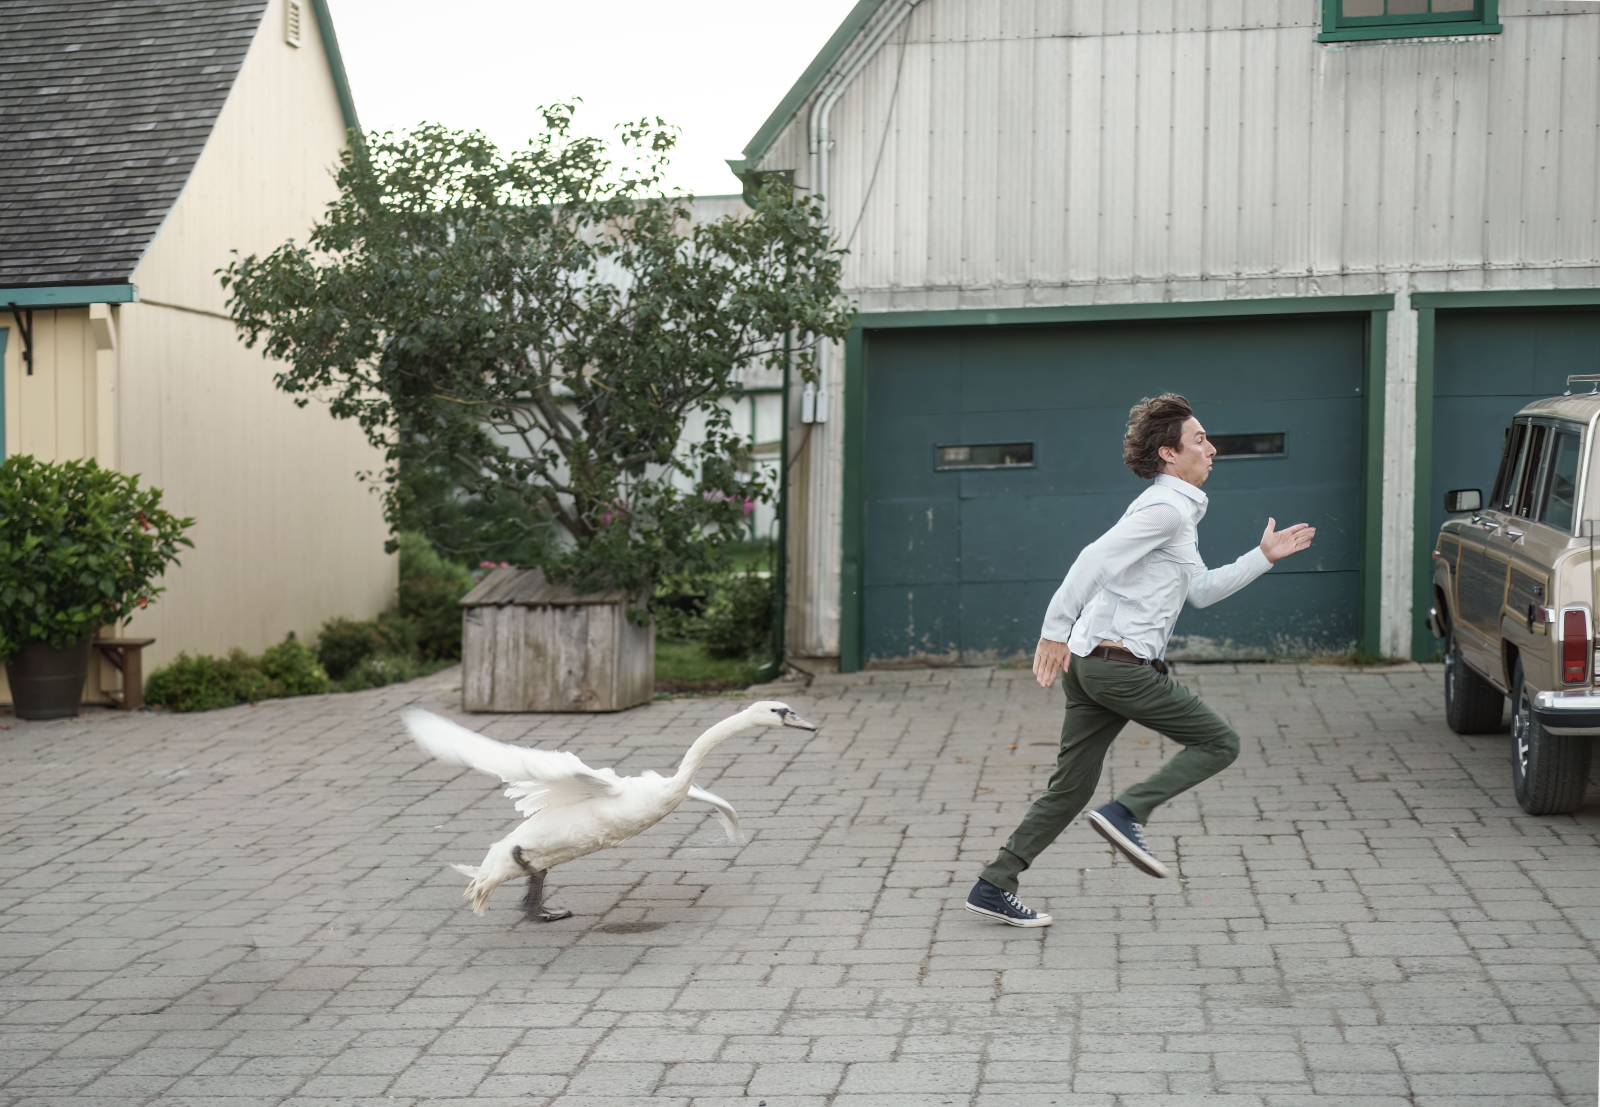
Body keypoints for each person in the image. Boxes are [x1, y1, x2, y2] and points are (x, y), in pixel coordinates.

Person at [964, 393, 1315, 927]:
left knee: (1071, 786)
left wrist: (1262, 556)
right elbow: (1093, 559)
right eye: (1200, 440)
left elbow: (1200, 590)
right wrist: (1053, 632)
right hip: (1118, 669)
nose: (1212, 449)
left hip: (1093, 666)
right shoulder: (1165, 509)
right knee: (1220, 742)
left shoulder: (1176, 511)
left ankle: (994, 883)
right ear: (1170, 454)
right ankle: (1127, 813)